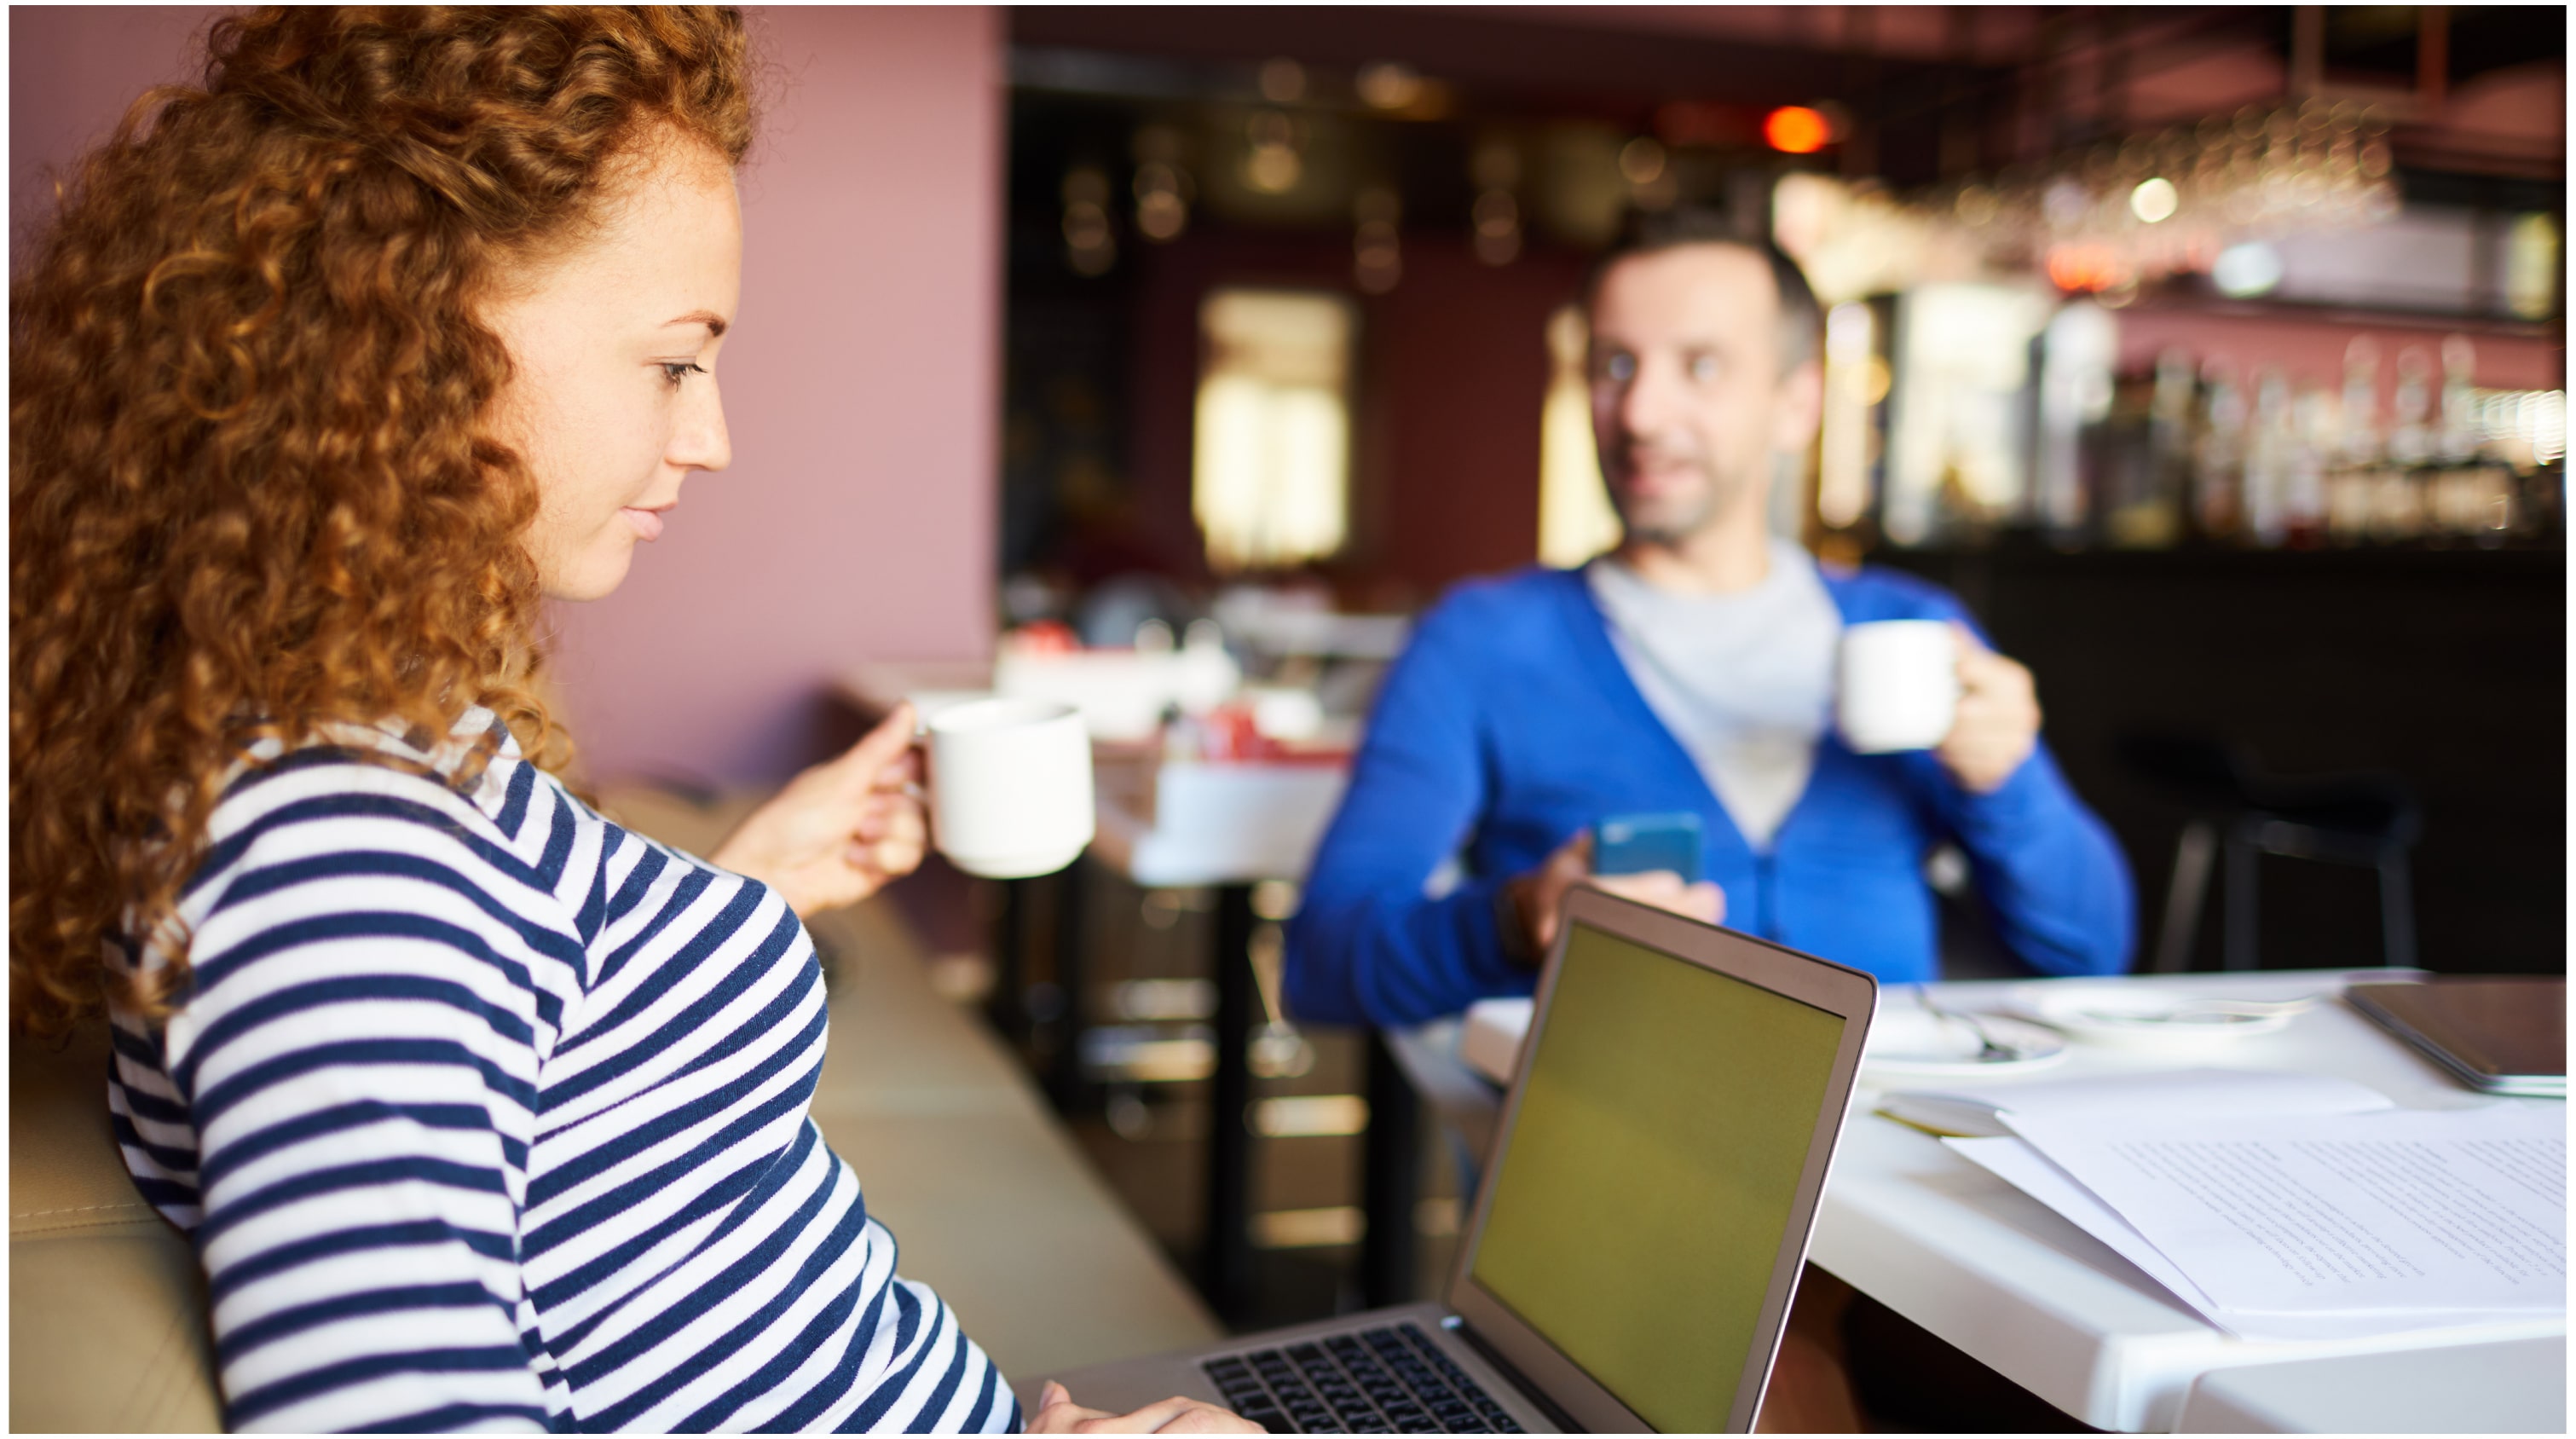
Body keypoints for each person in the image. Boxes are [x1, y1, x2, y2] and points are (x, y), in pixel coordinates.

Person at [9, 9, 1250, 1433]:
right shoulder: (334, 846)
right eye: (672, 361)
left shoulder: (371, 749)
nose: (710, 435)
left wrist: (748, 882)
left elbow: (530, 1048)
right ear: (415, 333)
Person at [1285, 210, 2134, 1027]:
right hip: (1618, 1158)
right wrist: (1515, 918)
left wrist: (2007, 782)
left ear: (1796, 404)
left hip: (1894, 1151)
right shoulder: (1480, 643)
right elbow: (1321, 962)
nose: (1642, 414)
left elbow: (2094, 951)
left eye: (1699, 365)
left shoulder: (1912, 630)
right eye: (1615, 365)